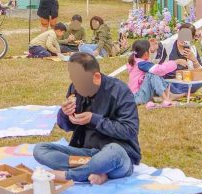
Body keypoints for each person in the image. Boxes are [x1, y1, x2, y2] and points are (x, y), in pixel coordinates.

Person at [33, 52, 141, 184]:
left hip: (118, 154)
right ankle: (98, 170)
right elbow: (66, 126)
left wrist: (94, 119)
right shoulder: (75, 88)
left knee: (114, 152)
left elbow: (129, 130)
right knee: (40, 149)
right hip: (86, 154)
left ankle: (69, 175)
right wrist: (64, 114)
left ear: (96, 77)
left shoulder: (120, 91)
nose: (77, 88)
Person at [126, 39, 176, 107]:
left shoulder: (137, 61)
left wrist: (152, 48)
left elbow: (150, 63)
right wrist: (175, 63)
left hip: (135, 96)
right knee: (152, 73)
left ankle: (168, 95)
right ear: (146, 53)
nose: (151, 51)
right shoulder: (142, 64)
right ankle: (166, 99)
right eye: (150, 49)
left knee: (153, 71)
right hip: (138, 97)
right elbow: (160, 69)